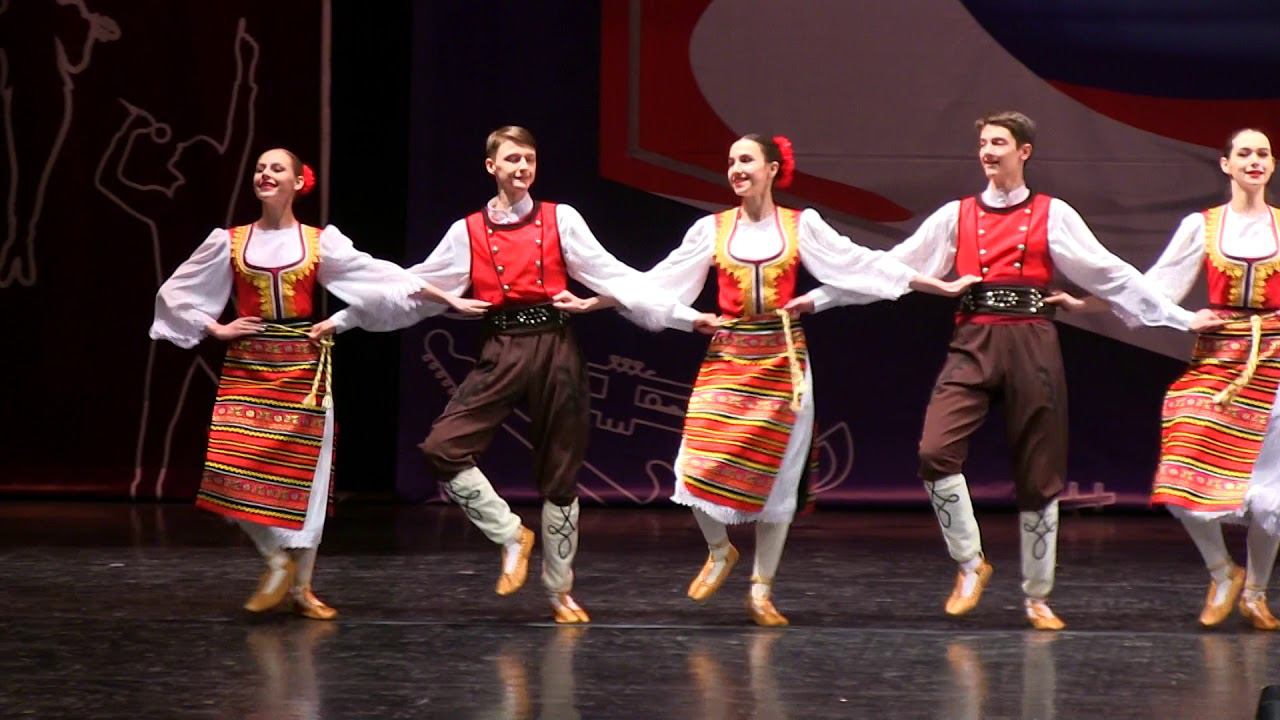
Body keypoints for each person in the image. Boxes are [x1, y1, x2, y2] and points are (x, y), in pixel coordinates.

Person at [637, 133, 978, 626]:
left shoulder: (801, 226)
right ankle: (720, 550)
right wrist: (679, 316)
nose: (736, 169)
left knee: (778, 479)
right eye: (731, 161)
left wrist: (933, 285)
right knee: (693, 461)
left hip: (783, 359)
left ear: (773, 169)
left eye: (746, 160)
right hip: (729, 352)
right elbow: (658, 283)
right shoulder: (710, 229)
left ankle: (761, 589)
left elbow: (860, 265)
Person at [887, 111, 1207, 630]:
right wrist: (831, 293)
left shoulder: (1052, 214)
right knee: (934, 450)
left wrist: (1179, 318)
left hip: (1032, 342)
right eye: (984, 142)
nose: (988, 151)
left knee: (1039, 469)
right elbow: (898, 265)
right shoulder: (956, 215)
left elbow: (1111, 274)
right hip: (974, 339)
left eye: (999, 142)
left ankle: (1037, 596)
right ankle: (970, 563)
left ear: (1024, 152)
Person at [354, 126, 672, 624]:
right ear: (491, 166)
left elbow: (613, 273)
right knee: (442, 447)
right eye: (512, 159)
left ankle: (560, 590)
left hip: (555, 347)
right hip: (501, 347)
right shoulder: (467, 231)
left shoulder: (560, 219)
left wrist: (602, 304)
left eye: (529, 159)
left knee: (561, 473)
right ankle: (510, 534)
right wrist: (348, 316)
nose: (522, 167)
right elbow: (417, 284)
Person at [149, 147, 424, 619]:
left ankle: (302, 589)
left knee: (308, 479)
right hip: (249, 362)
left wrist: (433, 292)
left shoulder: (318, 242)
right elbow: (174, 292)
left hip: (303, 364)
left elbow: (379, 281)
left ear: (299, 182)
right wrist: (216, 327)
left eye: (276, 168)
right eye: (259, 168)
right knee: (228, 467)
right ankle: (276, 561)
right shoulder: (230, 241)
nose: (265, 174)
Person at [1142, 128, 1280, 630]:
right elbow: (1156, 288)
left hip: (1276, 360)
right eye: (1244, 153)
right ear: (1226, 164)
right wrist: (1183, 319)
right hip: (1219, 357)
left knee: (1271, 488)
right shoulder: (1201, 226)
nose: (1254, 160)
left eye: (1263, 153)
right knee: (1181, 463)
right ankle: (1223, 571)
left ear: (1272, 165)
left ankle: (1256, 593)